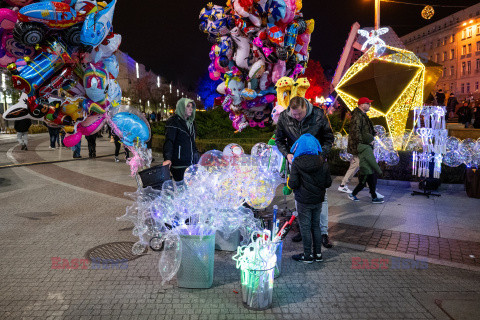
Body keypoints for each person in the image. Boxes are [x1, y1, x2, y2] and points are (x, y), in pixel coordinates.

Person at [275, 96, 334, 247]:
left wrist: (320, 155)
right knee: (299, 198)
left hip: (317, 163)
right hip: (296, 164)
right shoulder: (284, 117)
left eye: (299, 114)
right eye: (294, 115)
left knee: (322, 198)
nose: (296, 117)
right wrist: (286, 154)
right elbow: (279, 140)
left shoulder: (318, 114)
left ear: (305, 108)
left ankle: (323, 233)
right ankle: (304, 229)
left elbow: (329, 138)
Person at [287, 134, 331, 263]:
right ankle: (318, 254)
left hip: (303, 200)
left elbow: (293, 184)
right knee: (316, 226)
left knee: (305, 227)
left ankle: (307, 255)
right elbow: (328, 183)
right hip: (318, 200)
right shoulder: (323, 162)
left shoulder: (297, 162)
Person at [346, 97, 383, 203]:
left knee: (369, 172)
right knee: (367, 172)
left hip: (363, 147)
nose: (370, 105)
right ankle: (366, 194)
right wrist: (367, 142)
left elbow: (363, 131)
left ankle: (372, 194)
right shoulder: (358, 116)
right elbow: (356, 132)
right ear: (362, 105)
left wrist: (373, 134)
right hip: (361, 148)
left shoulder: (362, 115)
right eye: (368, 103)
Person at [163, 98, 199, 181]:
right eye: (188, 106)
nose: (191, 109)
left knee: (188, 190)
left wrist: (196, 154)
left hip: (190, 163)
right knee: (181, 189)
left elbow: (192, 142)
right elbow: (169, 141)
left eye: (192, 107)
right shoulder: (173, 121)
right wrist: (167, 158)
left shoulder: (191, 123)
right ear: (182, 108)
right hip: (179, 164)